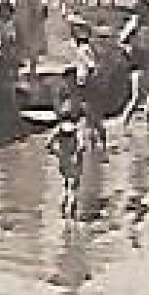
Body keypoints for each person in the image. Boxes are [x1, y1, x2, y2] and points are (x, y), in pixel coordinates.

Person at [117, 0, 149, 128]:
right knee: (138, 97)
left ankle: (148, 125)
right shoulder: (135, 23)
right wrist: (131, 50)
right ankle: (124, 123)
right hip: (139, 64)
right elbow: (123, 41)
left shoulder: (141, 24)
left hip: (143, 63)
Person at [70, 17, 107, 151]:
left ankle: (94, 145)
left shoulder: (85, 49)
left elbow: (92, 66)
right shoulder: (85, 49)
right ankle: (94, 144)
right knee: (90, 115)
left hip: (88, 84)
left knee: (91, 115)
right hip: (87, 83)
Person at [47, 101, 88, 220]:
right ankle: (72, 208)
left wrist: (57, 154)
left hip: (63, 160)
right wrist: (78, 153)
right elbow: (81, 146)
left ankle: (65, 204)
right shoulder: (76, 131)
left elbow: (48, 145)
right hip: (75, 160)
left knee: (66, 184)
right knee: (75, 186)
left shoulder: (58, 130)